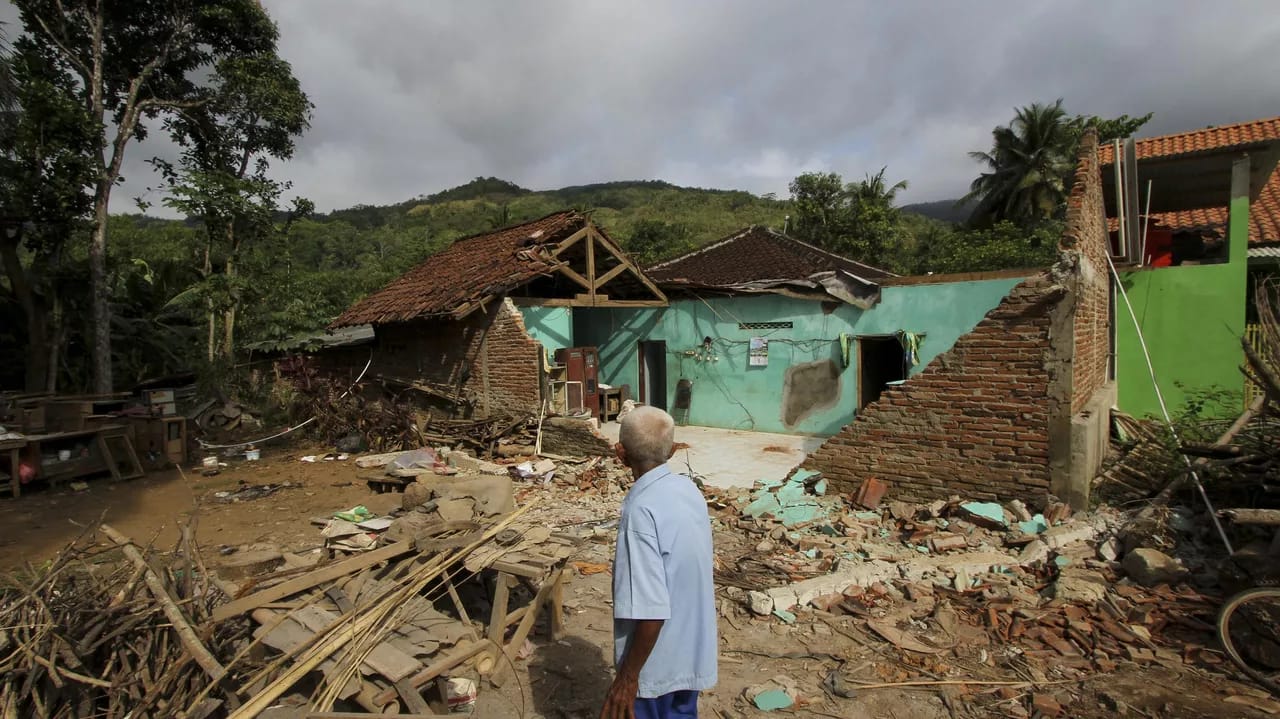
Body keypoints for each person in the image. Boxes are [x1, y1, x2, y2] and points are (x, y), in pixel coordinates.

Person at [600, 406, 717, 719]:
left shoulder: (641, 510)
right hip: (691, 654)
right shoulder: (689, 490)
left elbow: (650, 609)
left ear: (620, 454)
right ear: (674, 450)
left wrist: (627, 677)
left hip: (654, 667)